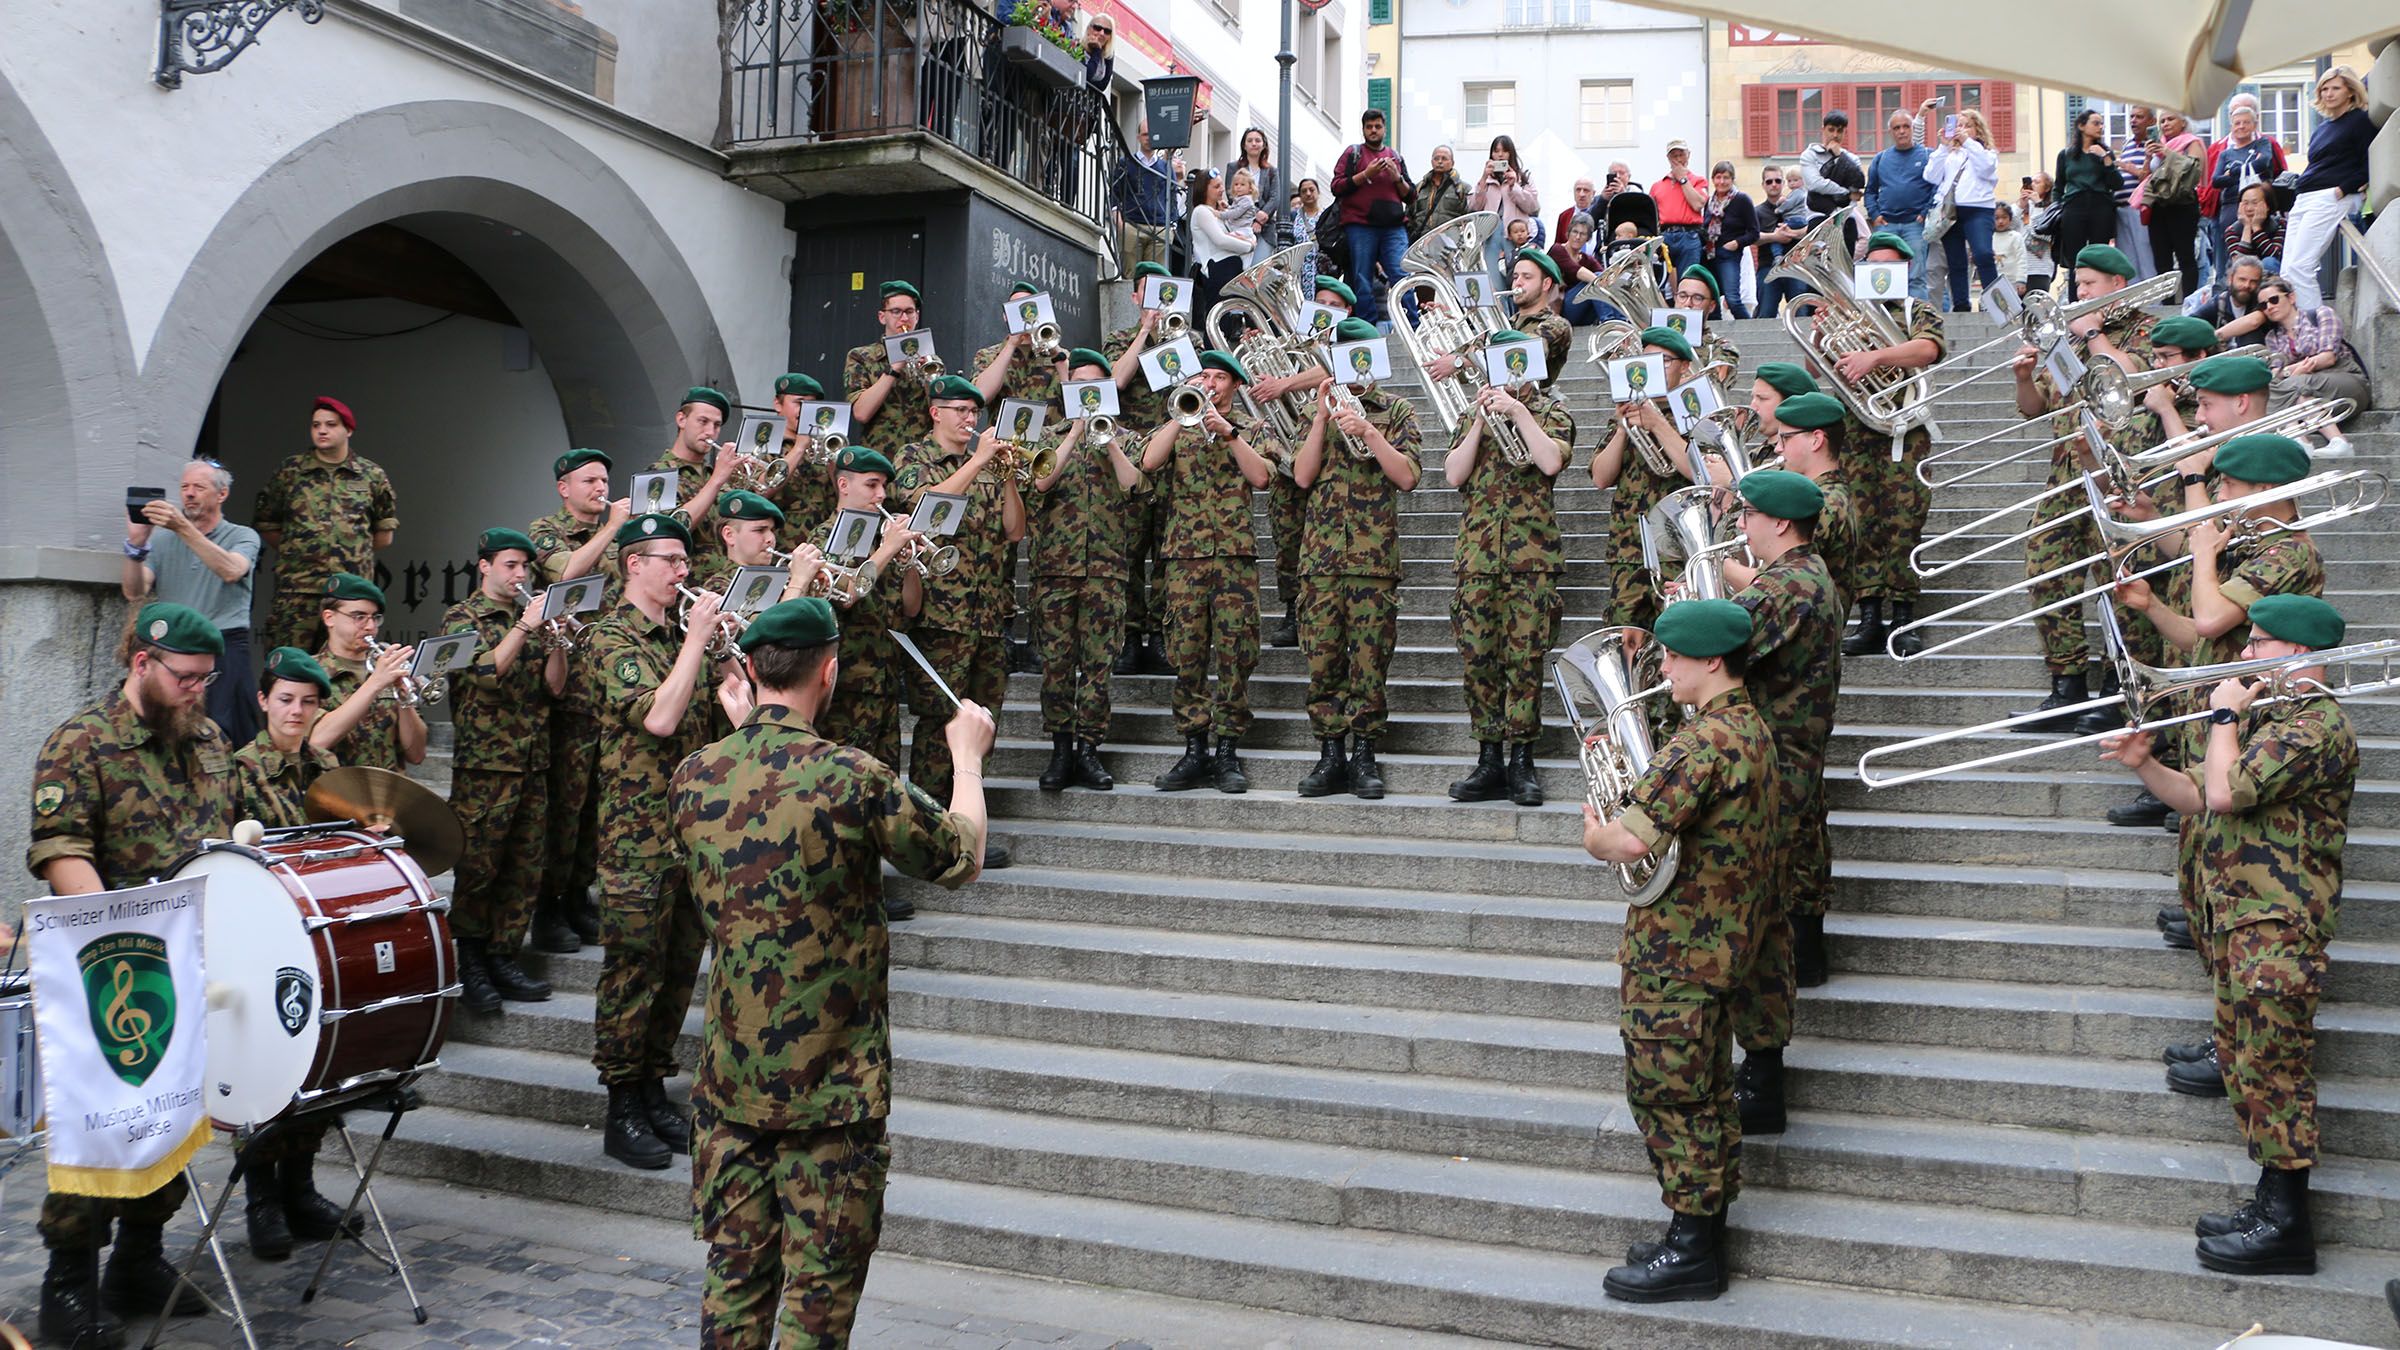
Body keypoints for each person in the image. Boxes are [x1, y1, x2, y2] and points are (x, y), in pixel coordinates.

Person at [672, 598, 991, 1348]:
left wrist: (743, 737)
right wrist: (969, 759)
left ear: (749, 670)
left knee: (734, 1288)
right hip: (830, 1099)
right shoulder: (851, 777)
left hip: (731, 1088)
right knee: (817, 1304)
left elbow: (751, 810)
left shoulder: (694, 775)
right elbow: (961, 857)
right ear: (832, 670)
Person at [2102, 591, 2352, 1277]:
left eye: (2258, 644)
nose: (2244, 654)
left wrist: (2221, 715)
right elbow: (2195, 793)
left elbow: (2223, 792)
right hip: (2241, 922)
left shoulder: (2318, 727)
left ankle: (2288, 1225)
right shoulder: (2276, 719)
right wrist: (2145, 766)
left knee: (2276, 1071)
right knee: (2245, 1067)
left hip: (2281, 930)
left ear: (2298, 653)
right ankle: (2268, 1204)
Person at [25, 601, 231, 1346]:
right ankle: (68, 1285)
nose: (197, 693)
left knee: (174, 1117)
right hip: (111, 970)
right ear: (142, 662)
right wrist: (126, 936)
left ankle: (140, 1262)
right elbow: (61, 853)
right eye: (185, 678)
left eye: (207, 679)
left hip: (192, 960)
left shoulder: (207, 737)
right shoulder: (80, 743)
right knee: (100, 1130)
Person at [1582, 598, 1778, 1304]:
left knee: (1670, 1092)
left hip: (1679, 953)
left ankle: (1693, 1248)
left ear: (1711, 661)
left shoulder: (1704, 744)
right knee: (1706, 1092)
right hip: (1718, 946)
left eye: (1671, 657)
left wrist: (1595, 835)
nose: (1660, 669)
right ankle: (1696, 1232)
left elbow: (1632, 841)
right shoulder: (1750, 731)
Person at [586, 511, 748, 1170]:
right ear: (635, 565)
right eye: (672, 562)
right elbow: (659, 715)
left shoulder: (689, 634)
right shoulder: (608, 637)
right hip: (636, 834)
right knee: (634, 967)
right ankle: (620, 1100)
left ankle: (653, 1082)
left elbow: (739, 701)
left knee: (681, 963)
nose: (685, 573)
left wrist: (726, 647)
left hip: (693, 828)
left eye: (686, 562)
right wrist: (695, 642)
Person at [2106, 361, 2309, 840]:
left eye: (2229, 485)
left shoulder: (2288, 551)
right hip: (2216, 693)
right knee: (2203, 832)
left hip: (2250, 706)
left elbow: (2211, 617)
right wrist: (2152, 606)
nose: (2221, 492)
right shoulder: (2249, 536)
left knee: (2232, 825)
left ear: (2263, 489)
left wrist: (2196, 489)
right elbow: (2199, 631)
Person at [1712, 471, 1842, 1137]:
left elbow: (1724, 658)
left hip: (1770, 778)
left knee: (1760, 931)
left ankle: (1762, 1079)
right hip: (1782, 768)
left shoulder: (1791, 585)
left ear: (1781, 525)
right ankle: (1758, 1072)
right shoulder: (1802, 575)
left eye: (1751, 516)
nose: (1744, 526)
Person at [227, 646, 366, 1265]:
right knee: (265, 1068)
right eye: (285, 699)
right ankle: (262, 1198)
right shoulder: (237, 772)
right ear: (263, 701)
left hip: (317, 938)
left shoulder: (328, 767)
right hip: (259, 941)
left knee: (317, 1068)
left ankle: (300, 1188)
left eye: (309, 702)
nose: (296, 712)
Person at [2002, 244, 2156, 727]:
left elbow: (2134, 379)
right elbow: (2035, 407)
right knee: (2044, 569)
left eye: (2089, 285)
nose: (2080, 293)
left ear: (2117, 286)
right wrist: (2025, 376)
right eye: (2078, 285)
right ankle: (2066, 686)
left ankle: (2117, 688)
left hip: (2122, 477)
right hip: (2067, 476)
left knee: (2120, 580)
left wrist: (2091, 333)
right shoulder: (2062, 339)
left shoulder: (2147, 330)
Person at [1291, 317, 1422, 799]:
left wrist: (1369, 431)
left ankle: (1365, 752)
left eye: (1363, 352)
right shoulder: (1313, 411)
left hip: (1372, 560)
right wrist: (1322, 417)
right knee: (1323, 660)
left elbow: (1407, 478)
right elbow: (1302, 478)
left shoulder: (1399, 411)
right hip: (1321, 560)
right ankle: (1330, 754)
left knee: (1369, 661)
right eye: (1347, 352)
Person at [892, 377, 1024, 852]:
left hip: (988, 614)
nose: (970, 419)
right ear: (935, 413)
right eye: (961, 411)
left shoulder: (988, 466)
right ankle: (926, 835)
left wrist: (1005, 474)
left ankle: (966, 831)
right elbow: (924, 512)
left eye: (975, 412)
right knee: (936, 726)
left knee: (981, 721)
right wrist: (979, 460)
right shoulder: (913, 457)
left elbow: (1014, 531)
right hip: (940, 617)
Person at [1445, 328, 1575, 807]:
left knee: (1524, 662)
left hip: (1531, 558)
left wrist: (1520, 411)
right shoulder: (1469, 415)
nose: (1510, 374)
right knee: (1478, 659)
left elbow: (1548, 463)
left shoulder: (1552, 412)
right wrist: (1481, 420)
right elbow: (1455, 473)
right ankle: (1488, 757)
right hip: (1477, 557)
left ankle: (1522, 760)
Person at [443, 526, 571, 1012]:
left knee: (523, 867)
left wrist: (558, 638)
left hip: (532, 760)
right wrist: (525, 628)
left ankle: (504, 955)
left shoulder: (531, 618)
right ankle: (471, 962)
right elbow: (485, 674)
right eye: (511, 566)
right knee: (479, 869)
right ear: (485, 566)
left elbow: (554, 688)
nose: (520, 576)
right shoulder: (462, 617)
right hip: (485, 767)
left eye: (525, 568)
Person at [1141, 350, 1280, 792]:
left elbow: (1262, 478)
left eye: (1220, 378)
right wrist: (1181, 416)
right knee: (1186, 654)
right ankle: (1194, 747)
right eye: (1204, 375)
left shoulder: (1254, 428)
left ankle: (1227, 749)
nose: (1211, 384)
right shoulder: (1180, 426)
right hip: (1184, 557)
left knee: (1237, 655)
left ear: (1236, 386)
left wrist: (1231, 433)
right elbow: (1148, 462)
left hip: (1234, 559)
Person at [1030, 349, 1144, 792]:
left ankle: (1090, 749)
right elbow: (1040, 482)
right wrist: (1076, 431)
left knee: (1098, 666)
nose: (1086, 394)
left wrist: (1108, 439)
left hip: (1107, 570)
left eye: (1095, 386)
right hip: (1055, 570)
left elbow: (1135, 485)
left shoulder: (1126, 437)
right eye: (1079, 385)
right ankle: (1060, 749)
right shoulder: (1049, 435)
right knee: (1057, 665)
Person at [529, 447, 629, 951]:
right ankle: (547, 907)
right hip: (569, 690)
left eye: (604, 479)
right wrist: (611, 529)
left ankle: (578, 896)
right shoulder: (545, 530)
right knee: (564, 806)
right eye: (589, 480)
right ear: (564, 487)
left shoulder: (616, 536)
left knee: (595, 804)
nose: (600, 487)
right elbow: (565, 574)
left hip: (610, 687)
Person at [1833, 232, 1946, 659]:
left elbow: (1928, 349)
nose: (1880, 271)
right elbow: (1819, 364)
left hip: (1905, 433)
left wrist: (1875, 358)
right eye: (1873, 264)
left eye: (1889, 264)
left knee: (1904, 523)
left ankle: (1903, 617)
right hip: (1858, 435)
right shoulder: (1850, 316)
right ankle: (1868, 618)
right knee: (1861, 526)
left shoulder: (1918, 310)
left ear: (1904, 269)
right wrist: (1822, 329)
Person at [122, 456, 261, 747]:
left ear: (222, 494)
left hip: (223, 648)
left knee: (227, 736)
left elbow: (232, 570)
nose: (188, 493)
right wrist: (135, 545)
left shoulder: (242, 536)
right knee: (169, 731)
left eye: (199, 486)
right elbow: (134, 592)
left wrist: (182, 528)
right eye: (184, 487)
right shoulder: (161, 541)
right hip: (173, 650)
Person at [253, 395, 398, 655]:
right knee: (289, 666)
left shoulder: (370, 475)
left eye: (330, 424)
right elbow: (268, 524)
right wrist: (299, 552)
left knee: (349, 663)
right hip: (298, 592)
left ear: (348, 430)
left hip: (350, 593)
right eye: (316, 425)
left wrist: (350, 555)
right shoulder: (291, 472)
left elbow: (383, 535)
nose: (321, 430)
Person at [1590, 327, 1699, 640]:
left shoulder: (1694, 411)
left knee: (1679, 641)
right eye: (1647, 361)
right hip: (1629, 549)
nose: (1653, 369)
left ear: (1684, 367)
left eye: (1663, 361)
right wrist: (1624, 428)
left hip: (1679, 551)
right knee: (1627, 643)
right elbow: (1600, 477)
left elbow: (1702, 472)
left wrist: (1657, 423)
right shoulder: (1626, 413)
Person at [1103, 261, 1181, 677]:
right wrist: (1145, 333)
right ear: (1135, 298)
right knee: (1129, 551)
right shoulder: (1119, 341)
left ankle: (1162, 635)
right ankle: (1130, 636)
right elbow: (1114, 382)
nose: (1156, 303)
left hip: (1175, 460)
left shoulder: (1189, 339)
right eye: (1148, 295)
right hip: (1131, 457)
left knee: (1167, 553)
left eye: (1162, 295)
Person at [307, 572, 428, 771]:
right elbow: (316, 741)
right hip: (335, 794)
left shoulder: (387, 669)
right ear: (329, 618)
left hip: (389, 794)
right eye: (359, 617)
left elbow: (416, 755)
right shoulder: (310, 672)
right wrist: (375, 683)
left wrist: (405, 700)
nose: (370, 626)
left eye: (375, 618)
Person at [2283, 66, 2372, 312]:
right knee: (2287, 271)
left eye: (2335, 88)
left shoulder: (2359, 121)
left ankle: (2316, 331)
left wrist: (2343, 190)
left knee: (2301, 266)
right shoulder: (2323, 127)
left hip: (2330, 196)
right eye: (2324, 88)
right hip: (2305, 198)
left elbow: (2370, 163)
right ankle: (2299, 330)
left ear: (2351, 91)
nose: (2328, 93)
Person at [1330, 108, 1415, 327]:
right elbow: (1336, 186)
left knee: (1401, 274)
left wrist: (1396, 177)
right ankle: (1367, 326)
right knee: (1362, 279)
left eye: (1377, 126)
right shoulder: (1353, 153)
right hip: (1360, 225)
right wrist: (1366, 174)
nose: (1373, 130)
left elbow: (1411, 195)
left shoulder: (1395, 156)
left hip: (1393, 227)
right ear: (1363, 129)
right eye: (1369, 127)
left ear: (1384, 128)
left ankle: (1411, 325)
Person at [648, 386, 750, 567]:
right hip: (684, 584)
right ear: (681, 420)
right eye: (703, 421)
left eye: (717, 425)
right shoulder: (657, 475)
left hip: (721, 582)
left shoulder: (717, 474)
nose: (710, 432)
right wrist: (717, 480)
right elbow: (671, 529)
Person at [2258, 275, 2371, 437]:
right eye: (2263, 305)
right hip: (2308, 390)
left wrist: (2289, 372)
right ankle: (2323, 441)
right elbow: (2276, 373)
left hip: (2345, 378)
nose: (2269, 307)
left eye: (2274, 300)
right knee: (2292, 392)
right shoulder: (2272, 337)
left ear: (2291, 297)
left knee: (2293, 384)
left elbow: (2328, 358)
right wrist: (2293, 373)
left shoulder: (2321, 315)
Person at [846, 281, 938, 458]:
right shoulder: (861, 357)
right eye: (896, 312)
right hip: (879, 458)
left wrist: (928, 378)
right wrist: (895, 367)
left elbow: (940, 411)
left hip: (921, 459)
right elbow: (861, 413)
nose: (904, 319)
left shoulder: (931, 360)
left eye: (909, 312)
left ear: (917, 316)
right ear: (882, 317)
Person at [1928, 108, 2001, 311]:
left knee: (1983, 254)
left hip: (1979, 210)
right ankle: (1961, 305)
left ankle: (1993, 304)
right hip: (1950, 211)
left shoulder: (1987, 153)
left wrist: (1968, 143)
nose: (1962, 129)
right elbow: (1931, 176)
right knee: (1955, 261)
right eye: (1959, 125)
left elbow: (1986, 168)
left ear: (1978, 129)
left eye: (1967, 125)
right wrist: (1943, 147)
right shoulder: (1951, 154)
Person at [1864, 105, 1935, 301]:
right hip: (1886, 226)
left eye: (1906, 126)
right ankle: (1886, 323)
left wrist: (1924, 212)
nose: (1902, 131)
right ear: (1891, 132)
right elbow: (1869, 191)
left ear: (1912, 128)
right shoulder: (1881, 158)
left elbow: (1937, 188)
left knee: (1916, 277)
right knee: (1882, 277)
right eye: (1897, 128)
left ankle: (1919, 323)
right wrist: (1875, 215)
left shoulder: (1928, 155)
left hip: (1916, 225)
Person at [2052, 109, 2120, 300]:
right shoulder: (2066, 155)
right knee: (2076, 258)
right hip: (2074, 206)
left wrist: (2106, 158)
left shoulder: (2105, 153)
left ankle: (2100, 300)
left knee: (2100, 256)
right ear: (2082, 126)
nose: (2101, 127)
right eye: (2096, 123)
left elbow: (2116, 184)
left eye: (2101, 123)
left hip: (2101, 206)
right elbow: (2058, 186)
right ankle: (2075, 303)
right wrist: (2056, 209)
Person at [2203, 97, 2286, 252]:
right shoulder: (2223, 151)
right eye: (2237, 122)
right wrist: (2250, 167)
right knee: (2231, 253)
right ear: (2231, 124)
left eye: (2246, 122)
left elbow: (2264, 163)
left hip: (2260, 204)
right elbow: (2215, 181)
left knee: (2260, 251)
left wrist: (2234, 171)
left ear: (2255, 124)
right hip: (2230, 205)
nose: (2241, 126)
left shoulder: (2264, 143)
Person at [2142, 111, 2208, 297]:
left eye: (2170, 119)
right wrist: (2148, 157)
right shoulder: (2159, 143)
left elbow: (2194, 169)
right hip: (2158, 204)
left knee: (2185, 256)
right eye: (2162, 121)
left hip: (2182, 204)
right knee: (2161, 259)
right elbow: (2147, 176)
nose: (2165, 124)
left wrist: (2167, 153)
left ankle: (2189, 301)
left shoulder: (2191, 142)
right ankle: (2166, 303)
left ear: (2183, 122)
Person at [766, 372, 839, 533]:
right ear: (778, 404)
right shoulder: (763, 443)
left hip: (819, 545)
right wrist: (799, 448)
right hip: (780, 545)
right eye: (799, 403)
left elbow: (845, 498)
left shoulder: (824, 445)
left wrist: (834, 463)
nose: (805, 411)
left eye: (811, 405)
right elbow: (760, 490)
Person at [1112, 122, 1184, 271]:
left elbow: (1173, 198)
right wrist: (1119, 222)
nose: (1149, 138)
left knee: (1155, 279)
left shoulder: (1165, 168)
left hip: (1160, 228)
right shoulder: (1125, 163)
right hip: (1132, 226)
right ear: (1138, 137)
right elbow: (1114, 194)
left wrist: (1172, 226)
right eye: (1145, 134)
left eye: (1152, 135)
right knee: (1130, 275)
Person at [1187, 171, 1256, 324]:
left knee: (1229, 318)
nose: (1222, 189)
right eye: (1216, 186)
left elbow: (1241, 229)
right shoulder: (1201, 211)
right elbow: (1221, 240)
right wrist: (1249, 246)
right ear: (1204, 189)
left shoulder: (1220, 212)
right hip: (1217, 267)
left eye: (1221, 185)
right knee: (1218, 318)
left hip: (1229, 267)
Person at [1469, 134, 1540, 280]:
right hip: (1491, 234)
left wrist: (1514, 185)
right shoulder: (1487, 180)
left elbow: (1532, 206)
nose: (1500, 155)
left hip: (1515, 235)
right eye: (1496, 151)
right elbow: (1474, 206)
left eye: (1504, 151)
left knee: (1516, 276)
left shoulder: (1523, 177)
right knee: (1494, 278)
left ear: (1511, 153)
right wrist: (1483, 178)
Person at [1702, 160, 1758, 319]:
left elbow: (1754, 233)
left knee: (1732, 299)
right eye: (1718, 177)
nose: (1722, 182)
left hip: (1729, 255)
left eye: (1726, 177)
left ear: (1732, 179)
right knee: (1711, 299)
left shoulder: (1742, 200)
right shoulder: (1709, 202)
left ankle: (1750, 331)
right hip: (1709, 255)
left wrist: (1736, 244)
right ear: (1713, 179)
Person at [1753, 165, 1810, 319]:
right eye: (1769, 181)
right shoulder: (1757, 211)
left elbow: (1810, 231)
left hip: (1796, 266)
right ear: (1763, 185)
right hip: (1768, 267)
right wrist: (1774, 237)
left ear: (1783, 183)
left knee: (1801, 316)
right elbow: (1752, 238)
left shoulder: (1798, 203)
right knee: (1766, 315)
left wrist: (1793, 233)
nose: (1774, 184)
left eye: (1778, 180)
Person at [2113, 105, 2159, 279]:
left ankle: (2154, 304)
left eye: (2139, 117)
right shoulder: (2128, 144)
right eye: (2132, 117)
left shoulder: (2155, 144)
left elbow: (2149, 177)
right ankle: (2133, 302)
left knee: (2146, 257)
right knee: (2127, 260)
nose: (2133, 121)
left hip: (2141, 209)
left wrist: (2130, 168)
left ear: (2152, 121)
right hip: (2121, 208)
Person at [1649, 139, 1707, 274]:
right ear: (1668, 158)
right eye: (1674, 156)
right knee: (1662, 282)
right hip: (1664, 236)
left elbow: (1698, 205)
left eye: (1682, 154)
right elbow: (1652, 216)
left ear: (1688, 155)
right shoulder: (1657, 186)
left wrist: (1683, 179)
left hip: (1689, 235)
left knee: (1688, 278)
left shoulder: (1698, 180)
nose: (1678, 159)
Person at [1226, 126, 1280, 267]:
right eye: (1250, 140)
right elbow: (1231, 194)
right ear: (1244, 145)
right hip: (1240, 225)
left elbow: (1275, 198)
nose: (1254, 144)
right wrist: (1254, 216)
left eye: (1258, 140)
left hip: (1265, 229)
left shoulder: (1271, 171)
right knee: (1240, 269)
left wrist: (1262, 218)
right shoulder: (1233, 168)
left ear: (1264, 145)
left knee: (1259, 268)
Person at [1797, 112, 1862, 221]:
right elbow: (1815, 184)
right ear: (1823, 130)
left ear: (1845, 132)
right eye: (1831, 130)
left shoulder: (1852, 158)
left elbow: (1858, 182)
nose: (1835, 135)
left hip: (1846, 217)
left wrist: (1840, 157)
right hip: (1818, 216)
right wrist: (1846, 193)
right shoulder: (1810, 154)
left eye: (1840, 131)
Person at [1411, 145, 1471, 241]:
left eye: (1444, 158)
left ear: (1452, 163)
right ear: (1431, 162)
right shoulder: (1419, 187)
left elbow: (1469, 218)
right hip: (1422, 243)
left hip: (1451, 244)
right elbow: (1410, 216)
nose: (1439, 161)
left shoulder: (1462, 188)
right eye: (1436, 158)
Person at [2222, 182, 2285, 270]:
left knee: (2268, 262)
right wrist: (2247, 227)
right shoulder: (2232, 231)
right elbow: (2238, 265)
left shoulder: (2280, 224)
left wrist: (2256, 227)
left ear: (2267, 205)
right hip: (2245, 279)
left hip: (2271, 279)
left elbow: (2275, 256)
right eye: (2245, 203)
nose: (2249, 208)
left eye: (2255, 203)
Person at [2020, 172, 2057, 294]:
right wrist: (2020, 205)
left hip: (2039, 269)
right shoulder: (2025, 206)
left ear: (2047, 188)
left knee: (2035, 309)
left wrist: (2037, 204)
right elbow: (2010, 228)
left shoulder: (2051, 209)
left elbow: (2040, 232)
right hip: (2019, 269)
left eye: (2037, 182)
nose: (2033, 185)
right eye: (2031, 182)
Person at [1556, 177, 1598, 250]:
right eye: (1578, 190)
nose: (1581, 194)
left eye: (1586, 190)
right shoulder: (1565, 216)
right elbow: (1558, 244)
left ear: (1593, 193)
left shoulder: (1600, 214)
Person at [1992, 202, 2026, 286]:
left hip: (2012, 282)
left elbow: (2022, 259)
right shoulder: (1988, 237)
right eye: (1996, 218)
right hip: (1992, 282)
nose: (2000, 221)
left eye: (2004, 217)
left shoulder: (2015, 237)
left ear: (2010, 219)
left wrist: (2021, 280)